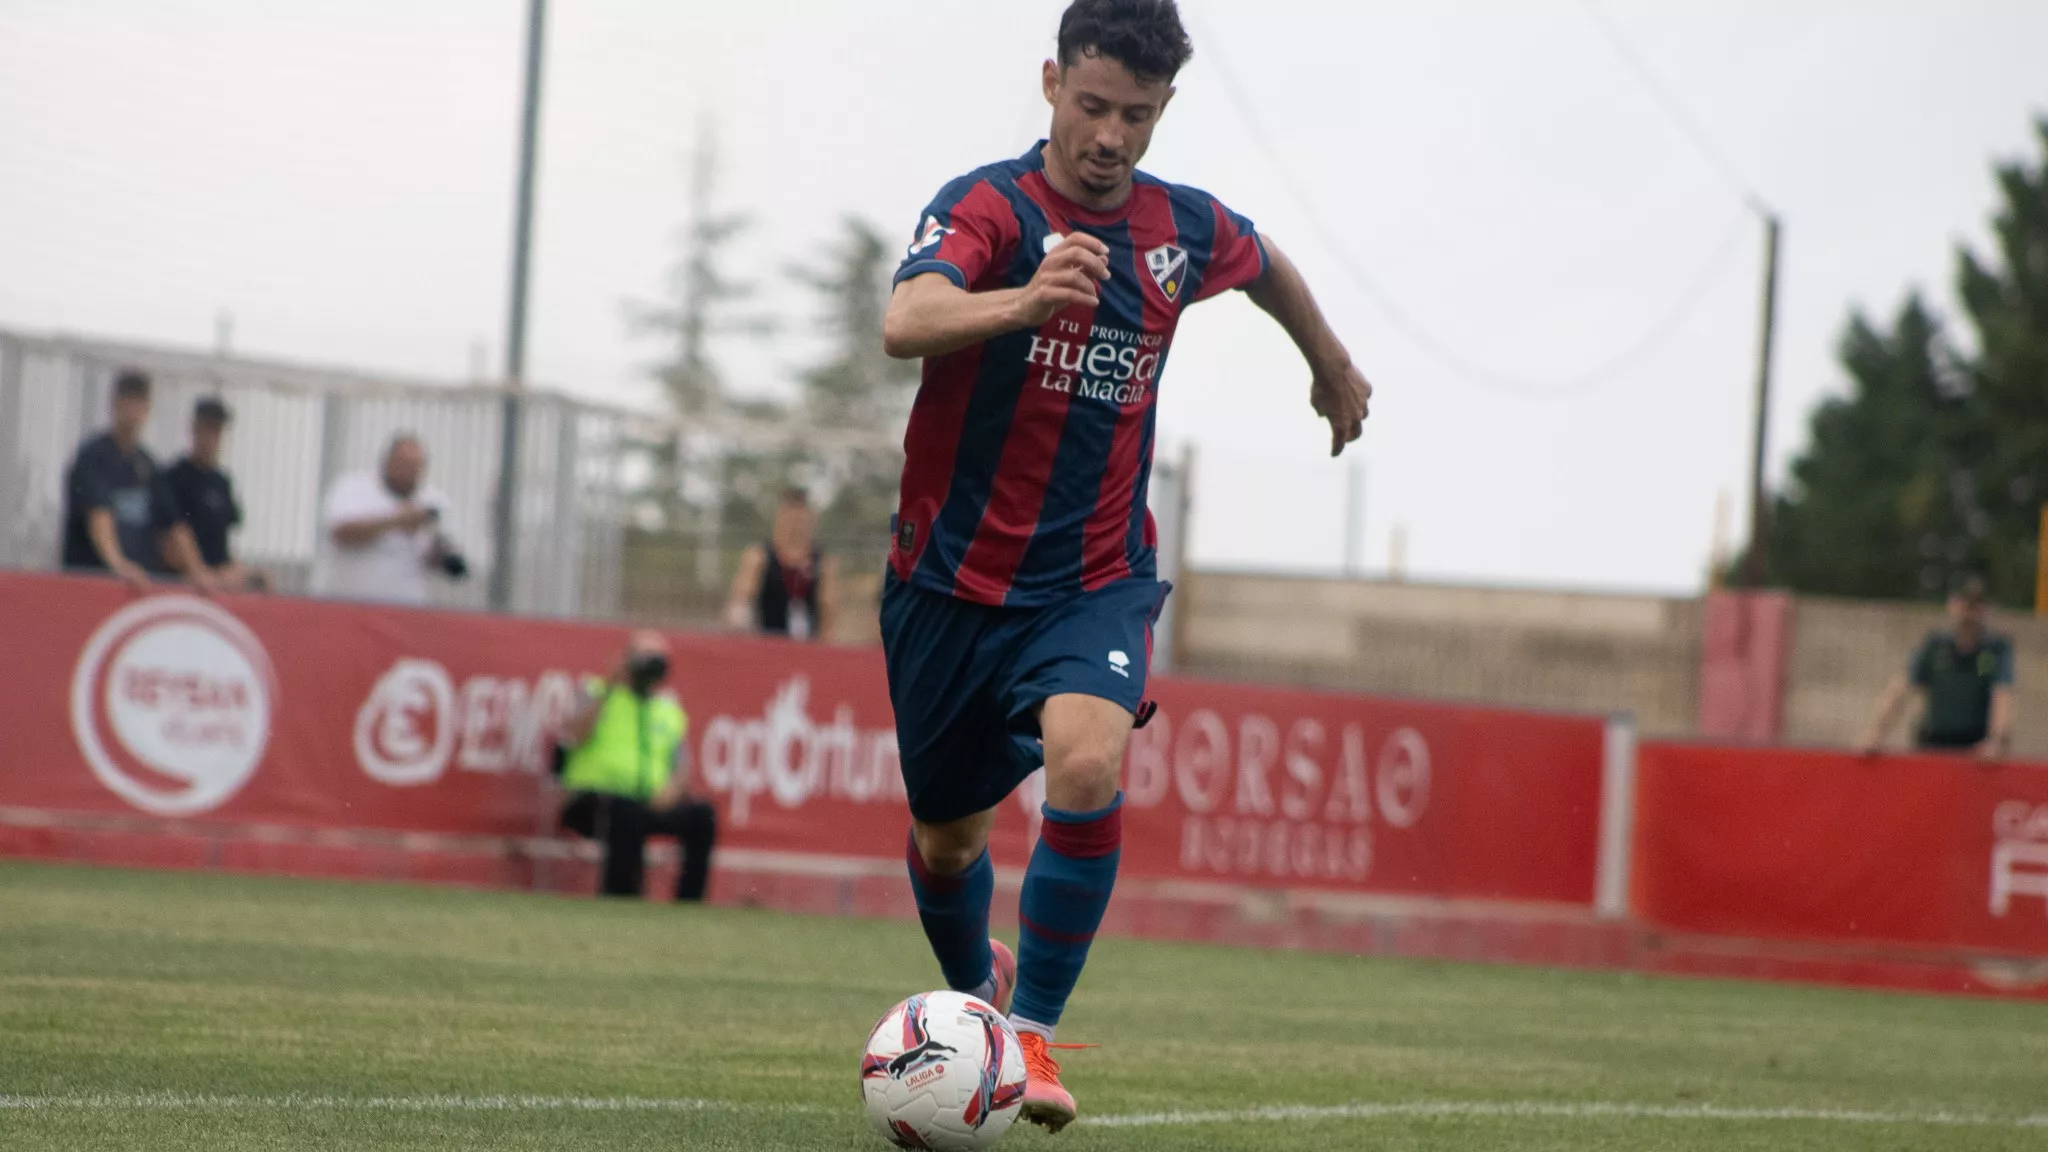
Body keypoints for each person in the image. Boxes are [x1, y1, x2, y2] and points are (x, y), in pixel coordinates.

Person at [876, 0, 1371, 1130]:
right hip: (947, 581)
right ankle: (979, 992)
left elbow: (1263, 262)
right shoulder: (988, 206)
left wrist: (1330, 362)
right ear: (1052, 83)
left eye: (1136, 116)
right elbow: (906, 320)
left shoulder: (1178, 227)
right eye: (1093, 105)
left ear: (1163, 110)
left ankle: (1032, 1038)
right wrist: (1025, 299)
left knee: (1088, 761)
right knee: (948, 841)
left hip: (1092, 577)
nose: (1110, 136)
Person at [555, 631, 717, 902]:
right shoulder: (596, 692)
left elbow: (682, 768)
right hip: (593, 801)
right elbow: (573, 735)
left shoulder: (667, 709)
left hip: (648, 802)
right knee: (624, 811)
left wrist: (671, 791)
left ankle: (689, 902)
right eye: (644, 657)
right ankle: (623, 898)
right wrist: (609, 687)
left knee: (702, 815)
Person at [60, 369, 218, 595]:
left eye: (140, 404)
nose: (134, 412)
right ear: (115, 404)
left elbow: (174, 524)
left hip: (138, 586)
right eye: (128, 403)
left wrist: (198, 571)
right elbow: (99, 516)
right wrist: (119, 565)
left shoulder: (146, 465)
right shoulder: (94, 457)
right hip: (93, 585)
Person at [1859, 576, 2016, 759]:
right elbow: (1901, 689)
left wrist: (1996, 740)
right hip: (1934, 745)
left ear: (1985, 609)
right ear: (1952, 605)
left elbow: (2002, 694)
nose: (1969, 614)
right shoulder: (1935, 647)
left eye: (1976, 606)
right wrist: (1876, 732)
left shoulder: (1994, 651)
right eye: (1964, 605)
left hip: (1975, 750)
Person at [309, 433, 468, 606]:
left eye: (415, 466)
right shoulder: (353, 488)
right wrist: (396, 521)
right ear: (387, 461)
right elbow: (341, 533)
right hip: (346, 602)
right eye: (403, 464)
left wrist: (440, 550)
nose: (408, 472)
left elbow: (447, 565)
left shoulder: (433, 502)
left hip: (404, 607)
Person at [164, 397, 269, 592]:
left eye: (216, 431)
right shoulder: (176, 477)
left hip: (220, 574)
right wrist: (199, 572)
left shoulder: (221, 482)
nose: (211, 438)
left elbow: (223, 539)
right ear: (194, 429)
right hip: (187, 577)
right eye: (207, 429)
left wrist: (235, 570)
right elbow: (176, 532)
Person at [722, 488, 840, 641]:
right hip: (768, 641)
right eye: (790, 517)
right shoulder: (759, 557)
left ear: (811, 519)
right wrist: (737, 620)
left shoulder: (823, 562)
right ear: (779, 517)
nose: (795, 525)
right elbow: (740, 600)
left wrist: (825, 643)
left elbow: (829, 610)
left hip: (809, 644)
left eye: (800, 518)